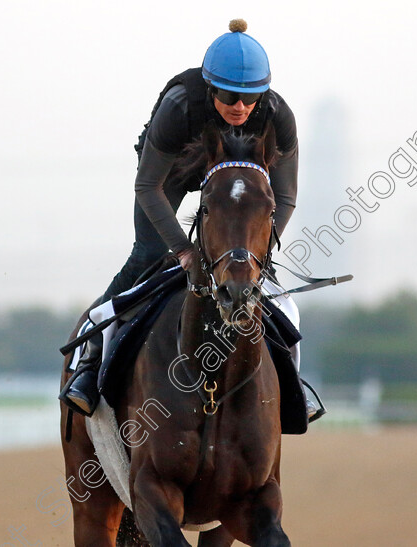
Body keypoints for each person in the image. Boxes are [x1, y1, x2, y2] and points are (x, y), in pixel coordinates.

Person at [60, 19, 321, 421]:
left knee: (259, 280)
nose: (240, 107)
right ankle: (89, 360)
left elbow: (284, 196)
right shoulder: (180, 106)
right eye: (231, 96)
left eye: (250, 97)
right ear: (211, 87)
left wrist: (258, 253)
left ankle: (292, 385)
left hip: (243, 183)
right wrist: (183, 250)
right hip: (172, 175)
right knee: (147, 255)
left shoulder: (277, 115)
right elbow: (147, 186)